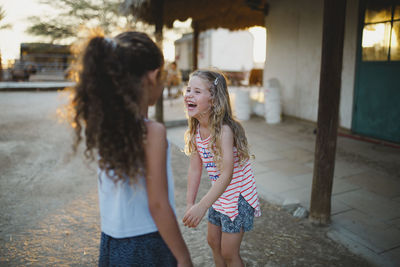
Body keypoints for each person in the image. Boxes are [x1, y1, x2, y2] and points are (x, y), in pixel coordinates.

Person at [72, 31, 192, 267]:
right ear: (153, 75)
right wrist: (183, 257)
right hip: (146, 245)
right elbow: (157, 204)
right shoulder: (153, 132)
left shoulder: (103, 128)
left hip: (112, 243)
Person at [182, 70, 261, 266]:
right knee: (213, 242)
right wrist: (191, 203)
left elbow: (227, 174)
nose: (189, 94)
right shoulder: (195, 132)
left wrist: (202, 205)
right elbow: (195, 169)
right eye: (188, 89)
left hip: (238, 196)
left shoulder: (224, 131)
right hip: (219, 194)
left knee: (228, 252)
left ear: (214, 100)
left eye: (197, 92)